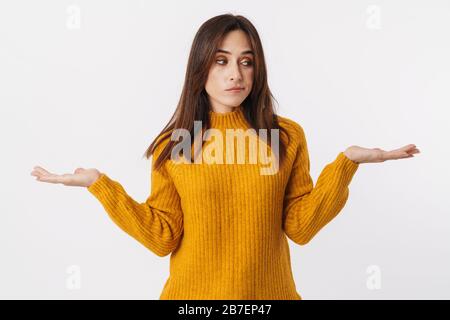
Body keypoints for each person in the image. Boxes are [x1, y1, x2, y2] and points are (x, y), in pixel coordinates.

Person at [30, 14, 420, 300]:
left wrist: (346, 164)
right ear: (201, 67)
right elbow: (163, 236)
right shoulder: (180, 141)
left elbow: (300, 227)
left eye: (246, 61)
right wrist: (100, 186)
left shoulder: (283, 136)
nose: (236, 73)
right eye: (221, 60)